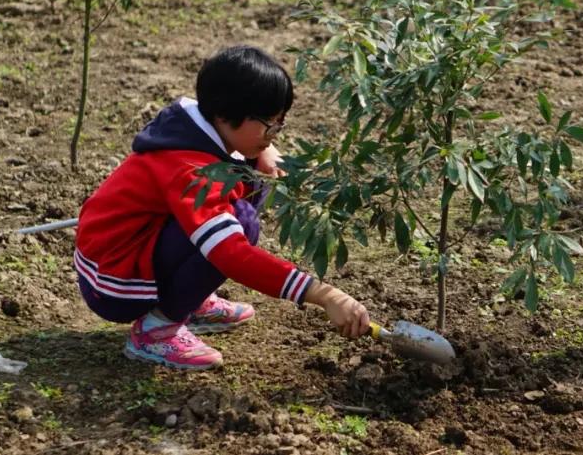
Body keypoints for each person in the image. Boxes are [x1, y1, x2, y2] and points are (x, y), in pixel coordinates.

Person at [74, 45, 370, 370]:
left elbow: (244, 151)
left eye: (280, 123)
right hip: (114, 282)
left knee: (250, 184)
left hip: (124, 252)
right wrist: (325, 295)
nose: (274, 135)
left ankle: (190, 299)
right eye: (268, 124)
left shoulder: (192, 126)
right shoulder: (191, 169)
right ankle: (156, 330)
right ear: (225, 114)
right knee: (240, 222)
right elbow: (231, 253)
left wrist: (261, 153)